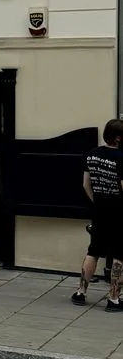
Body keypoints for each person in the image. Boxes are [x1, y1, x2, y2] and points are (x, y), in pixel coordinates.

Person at [74, 119, 123, 309]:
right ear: (118, 138)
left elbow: (86, 184)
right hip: (119, 211)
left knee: (93, 250)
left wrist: (97, 202)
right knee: (119, 253)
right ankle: (114, 298)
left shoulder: (92, 154)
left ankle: (81, 292)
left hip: (99, 209)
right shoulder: (121, 157)